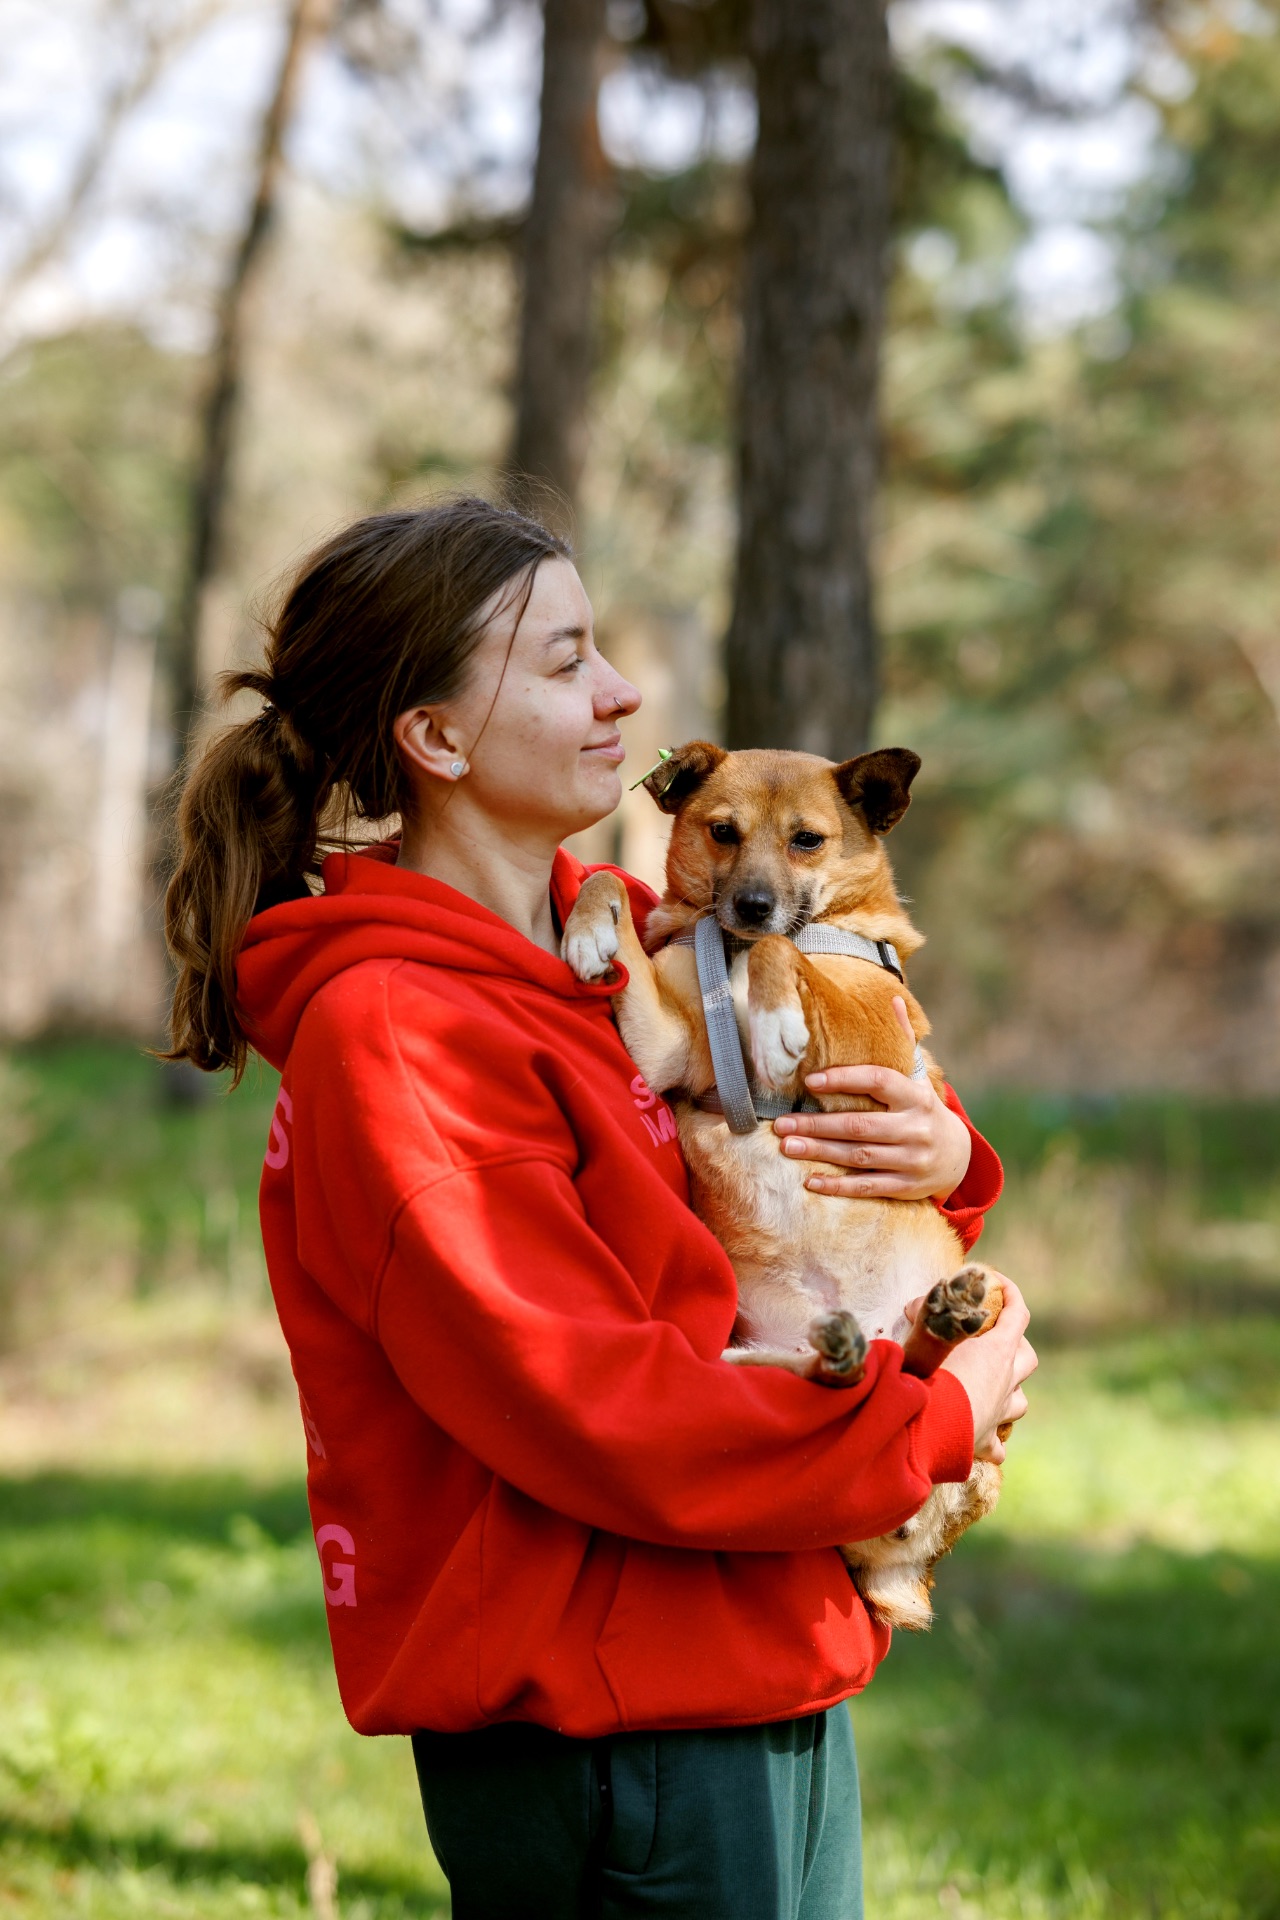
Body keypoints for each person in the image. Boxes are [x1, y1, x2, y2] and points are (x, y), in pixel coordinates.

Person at [163, 498, 1035, 1920]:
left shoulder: (618, 940)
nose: (621, 692)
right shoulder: (403, 1035)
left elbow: (807, 1133)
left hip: (757, 1646)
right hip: (621, 1726)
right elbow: (594, 1402)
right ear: (435, 743)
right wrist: (936, 1416)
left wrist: (944, 1159)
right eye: (566, 661)